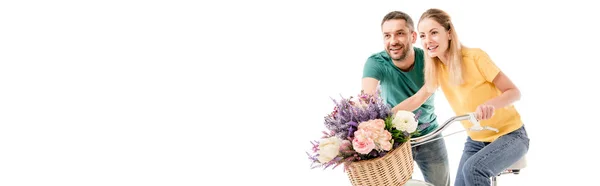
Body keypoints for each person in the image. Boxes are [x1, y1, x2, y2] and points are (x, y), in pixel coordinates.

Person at [415, 8, 530, 186]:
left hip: (511, 136)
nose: (427, 40)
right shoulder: (437, 69)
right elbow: (416, 100)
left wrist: (490, 104)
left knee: (473, 169)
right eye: (422, 35)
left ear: (449, 33)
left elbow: (514, 92)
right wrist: (384, 117)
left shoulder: (475, 57)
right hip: (476, 140)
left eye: (434, 33)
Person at [362, 11, 450, 186]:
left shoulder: (430, 60)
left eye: (400, 33)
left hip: (429, 134)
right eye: (387, 35)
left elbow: (420, 98)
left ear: (413, 36)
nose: (393, 41)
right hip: (395, 139)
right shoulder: (376, 62)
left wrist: (383, 118)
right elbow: (367, 103)